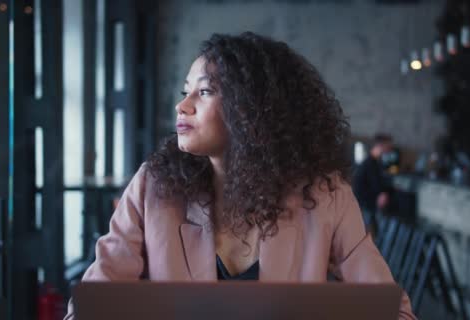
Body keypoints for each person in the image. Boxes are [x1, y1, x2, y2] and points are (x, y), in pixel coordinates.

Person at [64, 32, 415, 319]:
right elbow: (92, 306)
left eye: (204, 91)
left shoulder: (326, 196)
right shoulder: (152, 187)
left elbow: (395, 314)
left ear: (251, 109)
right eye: (185, 91)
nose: (182, 106)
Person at [352, 134, 394, 214]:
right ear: (381, 146)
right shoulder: (370, 164)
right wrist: (382, 194)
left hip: (365, 204)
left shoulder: (373, 162)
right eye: (388, 147)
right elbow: (374, 185)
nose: (389, 150)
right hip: (364, 206)